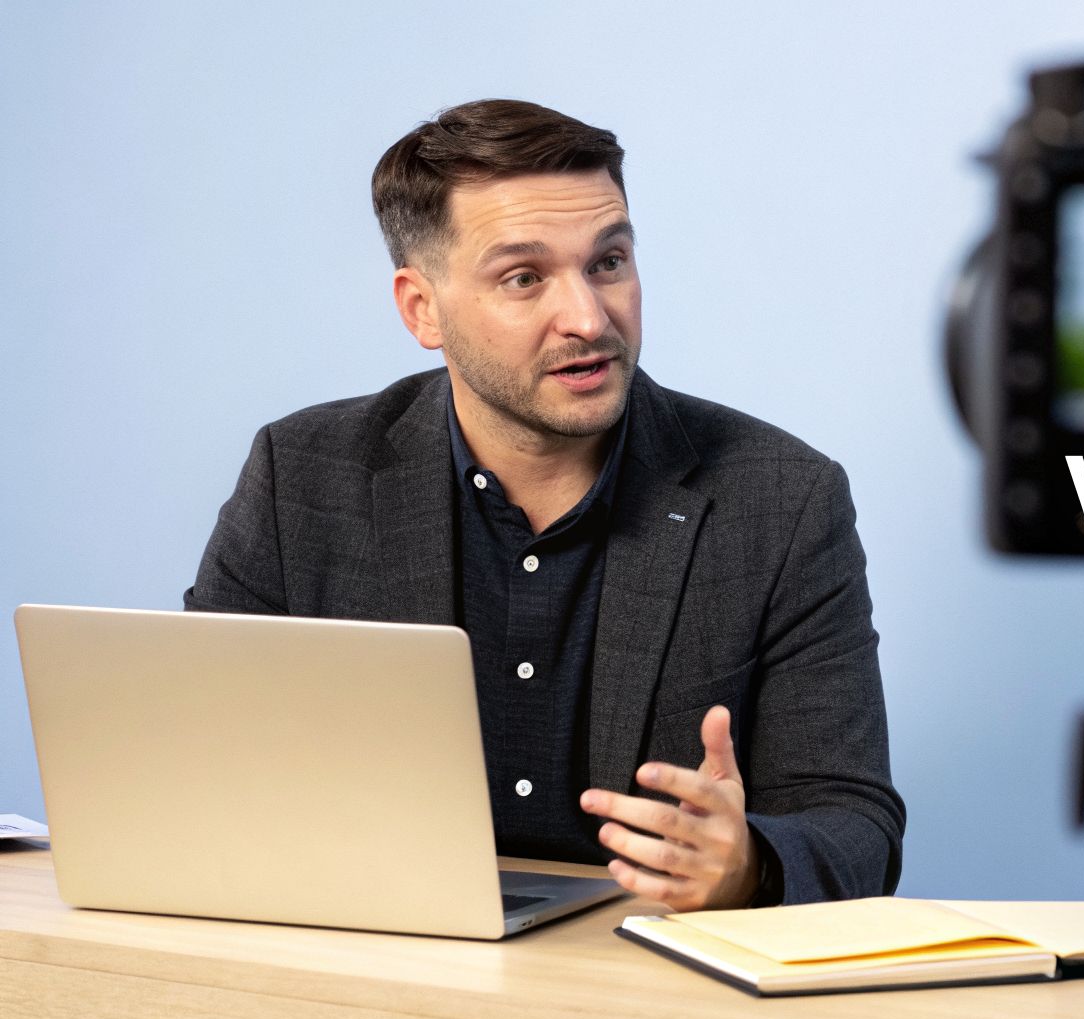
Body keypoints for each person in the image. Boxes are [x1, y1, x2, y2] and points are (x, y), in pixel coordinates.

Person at [183, 99, 904, 911]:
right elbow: (195, 768)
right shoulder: (301, 478)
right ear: (422, 308)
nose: (589, 319)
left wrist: (749, 865)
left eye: (609, 262)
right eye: (524, 278)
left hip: (639, 984)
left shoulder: (782, 499)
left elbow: (856, 829)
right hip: (378, 964)